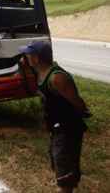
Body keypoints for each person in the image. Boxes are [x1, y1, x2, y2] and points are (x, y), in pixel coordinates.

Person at [19, 41, 90, 193]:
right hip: (57, 126)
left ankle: (65, 188)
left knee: (64, 162)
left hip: (68, 127)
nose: (25, 57)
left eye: (28, 54)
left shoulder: (57, 78)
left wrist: (82, 113)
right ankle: (65, 185)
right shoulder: (40, 72)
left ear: (37, 58)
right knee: (58, 159)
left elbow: (77, 102)